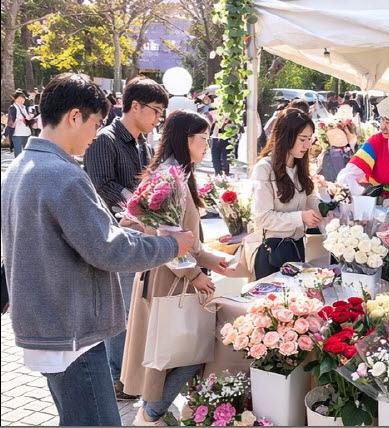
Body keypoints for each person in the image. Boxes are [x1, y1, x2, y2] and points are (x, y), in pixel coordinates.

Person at [0, 73, 195, 426]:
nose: (96, 133)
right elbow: (109, 251)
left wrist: (121, 229)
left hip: (49, 325)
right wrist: (171, 245)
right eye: (94, 123)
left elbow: (74, 240)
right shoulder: (62, 174)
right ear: (74, 116)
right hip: (71, 330)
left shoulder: (21, 167)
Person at [120, 110, 232, 426]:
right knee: (185, 350)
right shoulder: (169, 178)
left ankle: (152, 412)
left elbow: (185, 239)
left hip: (172, 278)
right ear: (185, 139)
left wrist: (210, 260)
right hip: (168, 280)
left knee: (174, 352)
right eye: (203, 139)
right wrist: (195, 274)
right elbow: (165, 237)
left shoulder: (177, 174)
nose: (207, 145)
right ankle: (150, 414)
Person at [84, 75, 169, 400]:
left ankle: (129, 373)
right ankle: (116, 377)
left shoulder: (142, 142)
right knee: (120, 309)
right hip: (114, 239)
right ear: (135, 106)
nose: (158, 118)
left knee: (134, 307)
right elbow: (101, 185)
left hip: (139, 237)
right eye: (155, 110)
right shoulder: (104, 140)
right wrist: (139, 204)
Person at [244, 108, 322, 280]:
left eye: (309, 139)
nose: (307, 145)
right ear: (286, 136)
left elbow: (312, 200)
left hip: (296, 250)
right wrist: (300, 217)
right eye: (302, 139)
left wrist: (328, 209)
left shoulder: (301, 168)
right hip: (272, 253)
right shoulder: (264, 169)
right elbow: (262, 217)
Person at [6, 90, 33, 156]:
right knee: (18, 155)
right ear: (15, 99)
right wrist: (17, 120)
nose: (22, 100)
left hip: (27, 133)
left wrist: (30, 118)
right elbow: (10, 123)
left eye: (23, 98)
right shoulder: (12, 108)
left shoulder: (25, 107)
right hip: (17, 134)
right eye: (19, 98)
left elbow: (28, 119)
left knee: (27, 155)